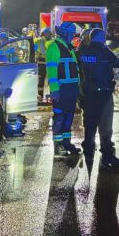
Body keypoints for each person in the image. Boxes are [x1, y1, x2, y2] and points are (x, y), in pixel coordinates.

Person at [77, 28, 119, 169]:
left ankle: (88, 150)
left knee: (89, 122)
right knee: (105, 126)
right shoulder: (105, 52)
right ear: (102, 38)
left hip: (87, 93)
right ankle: (107, 155)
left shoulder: (81, 51)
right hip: (104, 93)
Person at [46, 22, 82, 156]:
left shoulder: (69, 47)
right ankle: (58, 146)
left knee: (68, 117)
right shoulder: (54, 47)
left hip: (71, 89)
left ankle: (67, 143)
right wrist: (55, 90)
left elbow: (75, 69)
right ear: (65, 33)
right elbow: (52, 71)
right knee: (60, 117)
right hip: (61, 90)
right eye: (71, 34)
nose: (73, 36)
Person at [35, 27, 53, 100]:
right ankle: (40, 96)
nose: (47, 35)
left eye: (48, 33)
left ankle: (52, 96)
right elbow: (36, 51)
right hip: (41, 64)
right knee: (40, 81)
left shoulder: (52, 42)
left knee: (51, 80)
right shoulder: (38, 42)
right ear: (42, 34)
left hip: (51, 64)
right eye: (45, 33)